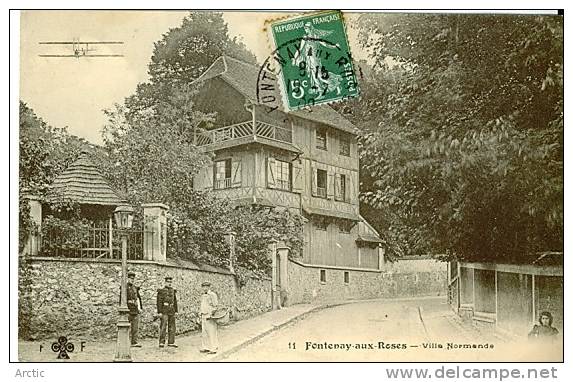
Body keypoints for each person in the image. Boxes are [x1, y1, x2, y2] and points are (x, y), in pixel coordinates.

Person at [156, 276, 178, 348]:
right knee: (163, 326)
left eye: (170, 282)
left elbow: (175, 301)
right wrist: (159, 312)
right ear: (165, 282)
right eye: (168, 282)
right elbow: (159, 302)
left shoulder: (172, 291)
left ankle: (171, 342)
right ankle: (161, 342)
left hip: (172, 310)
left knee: (172, 327)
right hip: (164, 310)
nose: (169, 283)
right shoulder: (161, 291)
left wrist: (176, 311)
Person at [199, 281, 219, 354]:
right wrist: (200, 313)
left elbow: (215, 306)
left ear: (209, 287)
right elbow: (203, 305)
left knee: (211, 332)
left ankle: (213, 348)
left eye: (206, 287)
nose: (205, 288)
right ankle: (205, 347)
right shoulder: (203, 295)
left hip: (209, 316)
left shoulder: (212, 295)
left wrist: (211, 314)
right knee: (204, 333)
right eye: (203, 287)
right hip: (203, 315)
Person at [126, 271, 143, 347]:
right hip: (128, 310)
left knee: (135, 327)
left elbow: (138, 298)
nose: (132, 280)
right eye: (130, 278)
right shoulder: (124, 288)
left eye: (133, 279)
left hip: (135, 309)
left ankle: (134, 342)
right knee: (125, 327)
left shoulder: (135, 288)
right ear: (127, 278)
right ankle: (125, 342)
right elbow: (122, 299)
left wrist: (140, 308)